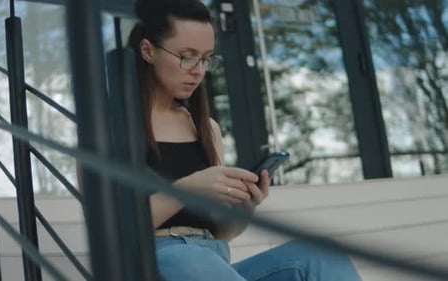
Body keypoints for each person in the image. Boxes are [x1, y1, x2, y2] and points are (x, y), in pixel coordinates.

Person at [128, 0, 363, 280]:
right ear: (147, 50)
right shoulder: (112, 128)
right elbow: (116, 230)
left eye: (206, 58)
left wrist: (246, 207)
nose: (198, 70)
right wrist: (188, 188)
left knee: (324, 254)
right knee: (189, 259)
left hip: (214, 260)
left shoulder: (206, 128)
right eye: (187, 56)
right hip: (158, 261)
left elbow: (222, 232)